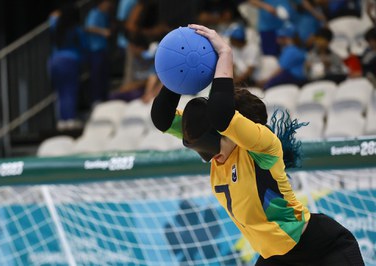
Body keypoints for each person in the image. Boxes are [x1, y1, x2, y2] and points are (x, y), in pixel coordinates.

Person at [151, 24, 364, 265]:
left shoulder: (262, 147)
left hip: (321, 249)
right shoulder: (215, 141)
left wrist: (225, 55)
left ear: (237, 132)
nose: (212, 153)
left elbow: (222, 114)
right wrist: (176, 71)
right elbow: (162, 118)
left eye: (219, 137)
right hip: (273, 258)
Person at [49, 4, 87, 130]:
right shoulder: (75, 29)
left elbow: (52, 17)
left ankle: (62, 119)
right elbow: (83, 46)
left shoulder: (56, 26)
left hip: (54, 61)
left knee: (60, 92)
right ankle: (70, 118)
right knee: (70, 91)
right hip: (70, 60)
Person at [261, 23, 307, 89]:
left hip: (295, 78)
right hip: (294, 78)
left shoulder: (291, 50)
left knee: (267, 86)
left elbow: (279, 70)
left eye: (279, 37)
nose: (277, 40)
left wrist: (266, 81)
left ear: (285, 37)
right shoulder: (293, 48)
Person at [85, 0, 113, 104]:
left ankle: (103, 98)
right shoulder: (94, 13)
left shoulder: (104, 14)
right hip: (95, 49)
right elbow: (89, 27)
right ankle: (96, 100)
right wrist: (103, 31)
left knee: (104, 74)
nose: (109, 5)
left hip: (103, 49)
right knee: (96, 75)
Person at [225, 23, 261, 87]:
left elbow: (250, 71)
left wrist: (236, 82)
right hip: (237, 80)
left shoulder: (253, 49)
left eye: (231, 38)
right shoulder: (233, 47)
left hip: (252, 80)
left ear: (237, 40)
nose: (229, 40)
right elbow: (233, 65)